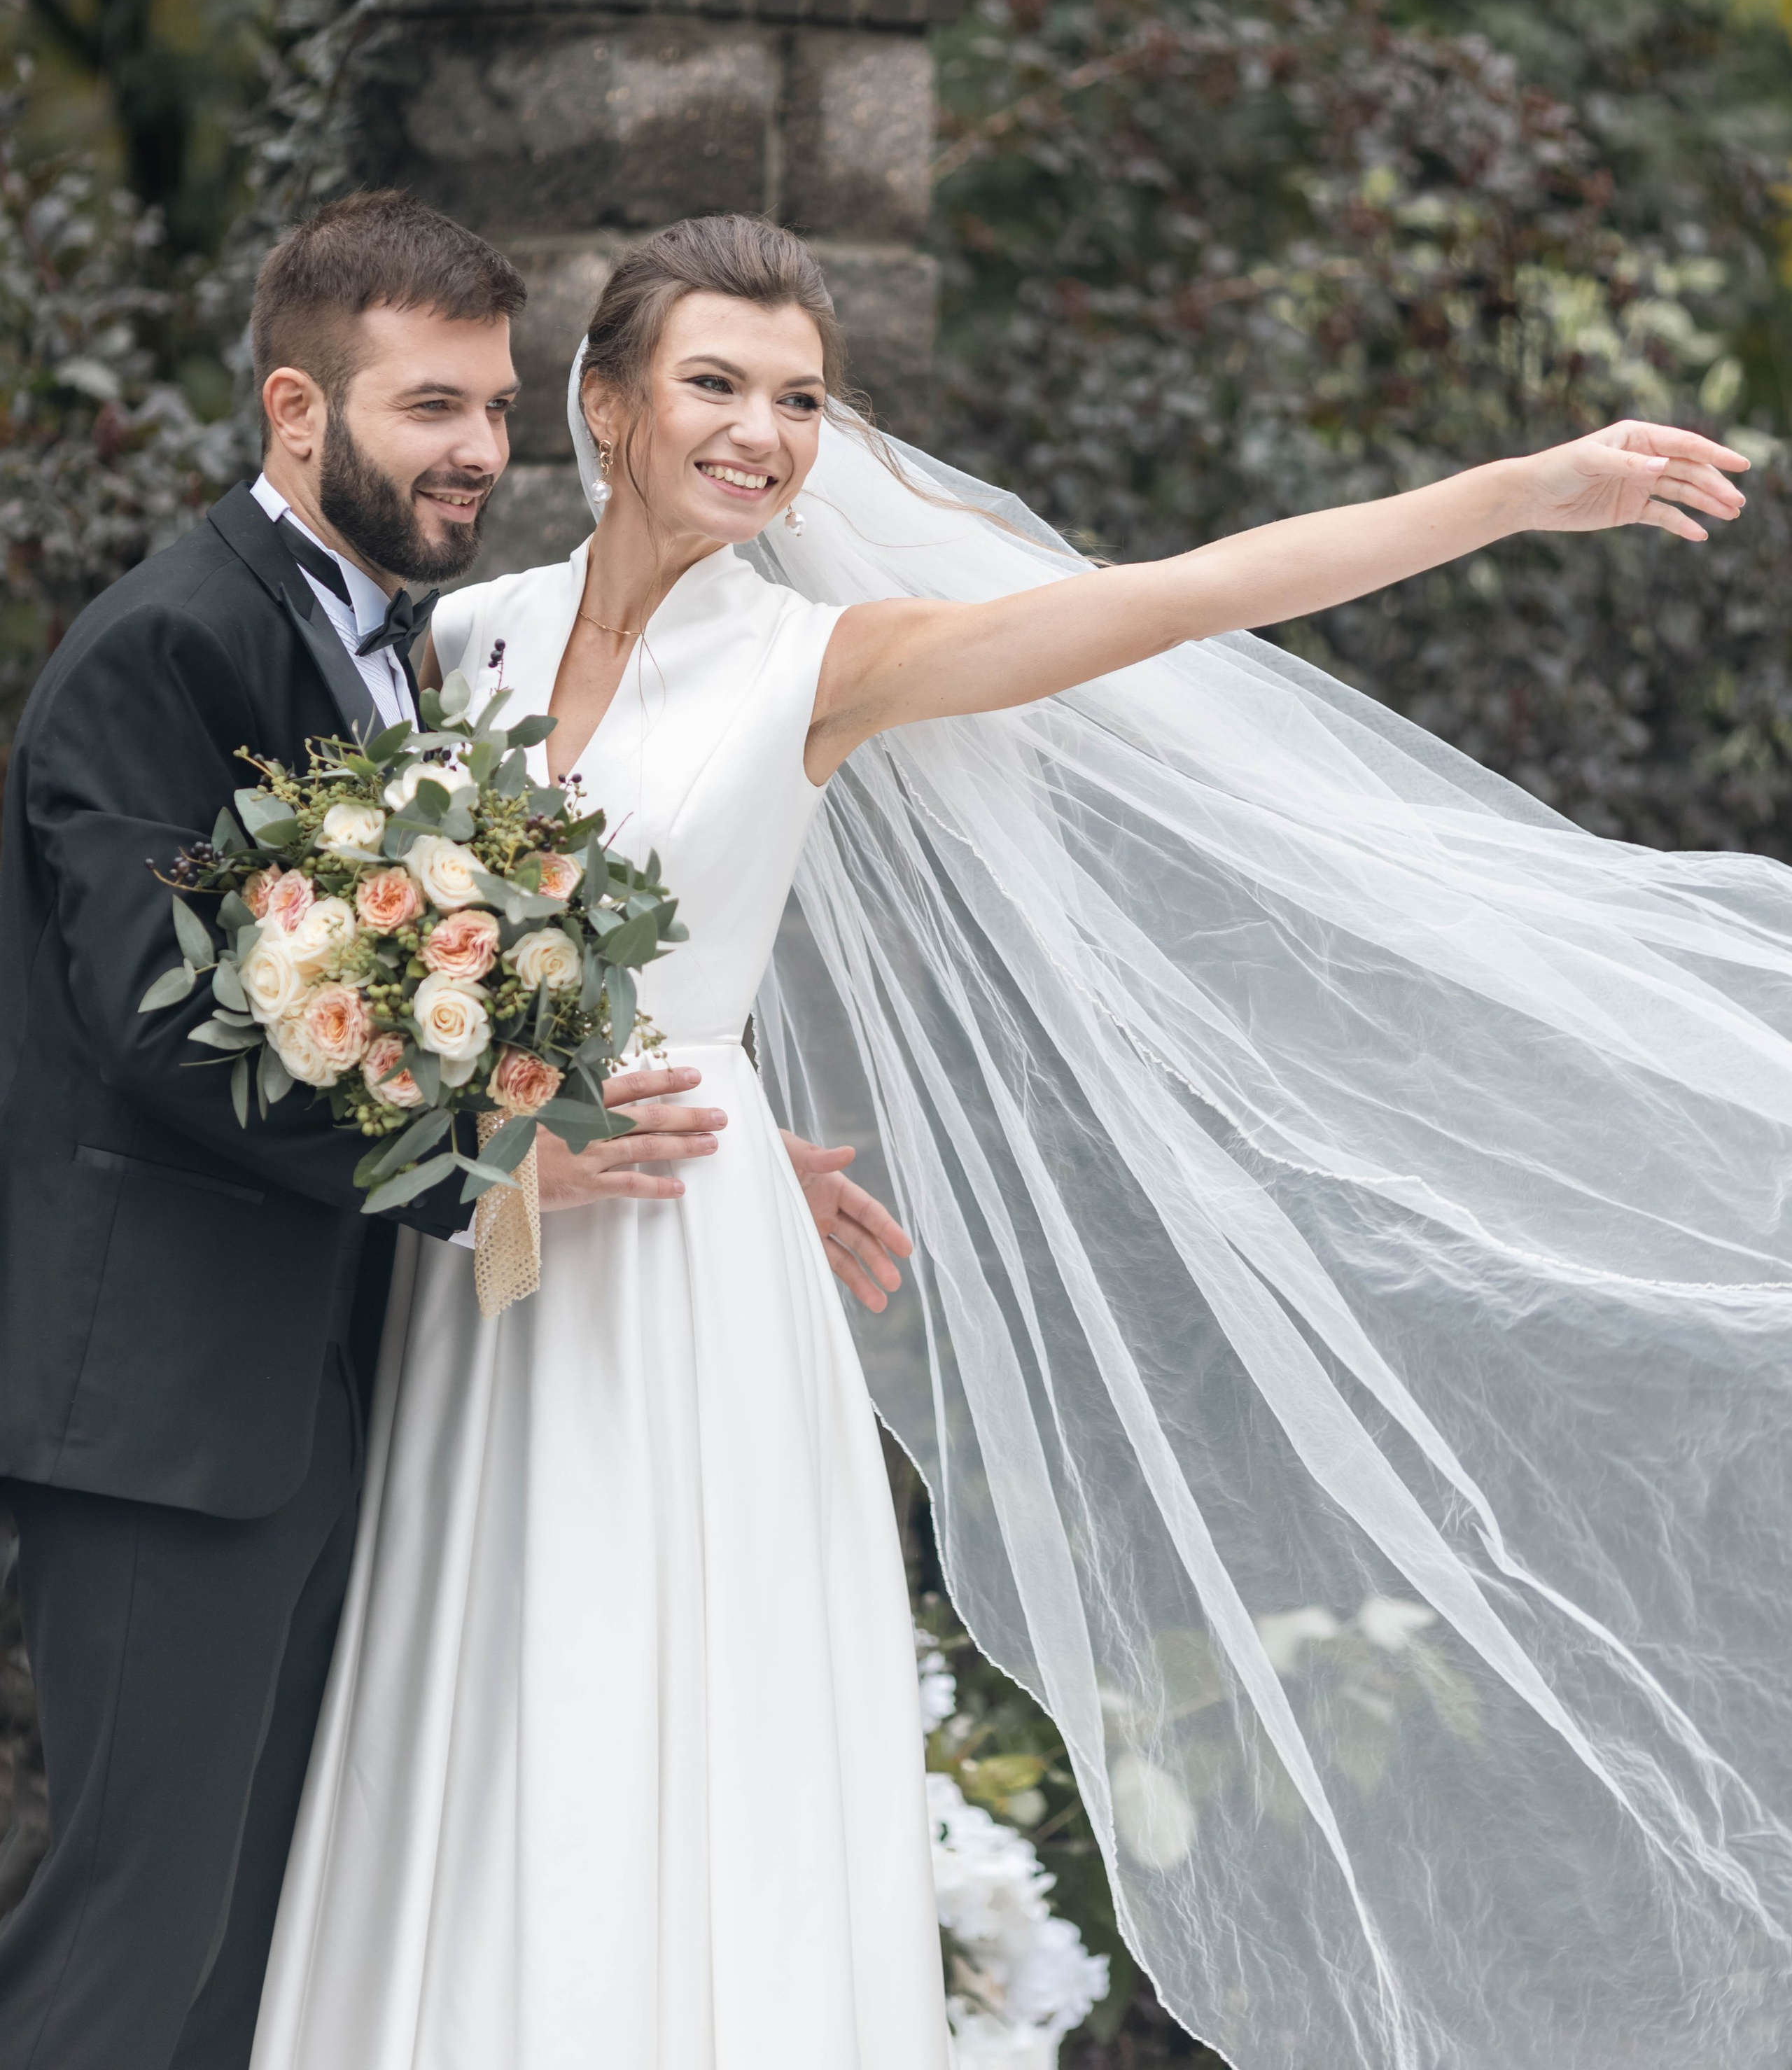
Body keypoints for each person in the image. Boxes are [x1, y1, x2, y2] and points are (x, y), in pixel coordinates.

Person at [250, 213, 1785, 2070]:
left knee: (659, 1680)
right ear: (605, 405)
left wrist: (1522, 488)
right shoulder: (463, 638)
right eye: (716, 385)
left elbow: (1173, 596)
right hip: (493, 1253)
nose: (763, 432)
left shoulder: (821, 660)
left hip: (678, 1246)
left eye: (801, 398)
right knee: (480, 1685)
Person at [0, 190, 902, 2070]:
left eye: (492, 410)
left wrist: (664, 1118)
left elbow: (437, 966)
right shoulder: (171, 644)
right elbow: (160, 1019)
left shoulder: (404, 649)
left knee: (245, 1951)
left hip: (329, 1397)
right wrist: (491, 1168)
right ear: (296, 410)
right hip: (162, 1415)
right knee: (130, 1934)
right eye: (431, 410)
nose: (476, 453)